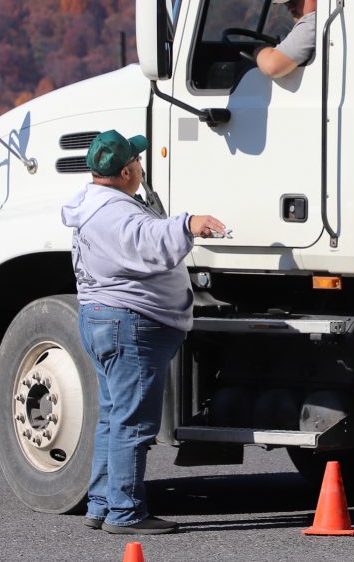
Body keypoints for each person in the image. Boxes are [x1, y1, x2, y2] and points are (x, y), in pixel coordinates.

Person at [60, 129, 225, 535]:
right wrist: (190, 223)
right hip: (128, 322)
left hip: (101, 317)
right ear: (126, 170)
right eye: (137, 160)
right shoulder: (118, 213)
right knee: (132, 423)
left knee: (113, 417)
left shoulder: (92, 205)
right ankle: (126, 512)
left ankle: (101, 504)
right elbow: (150, 244)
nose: (141, 165)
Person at [254, 0, 317, 79]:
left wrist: (258, 51)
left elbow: (272, 66)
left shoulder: (313, 22)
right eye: (287, 3)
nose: (290, 8)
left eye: (293, 0)